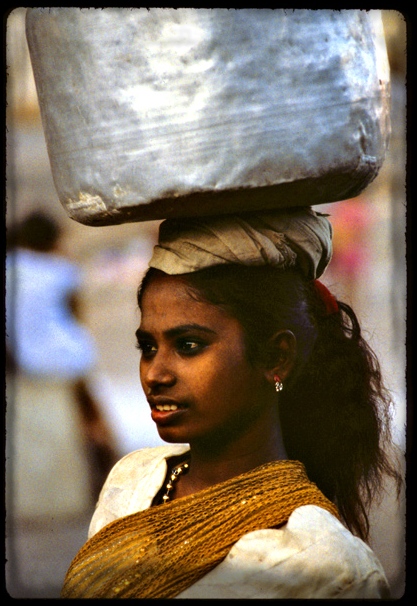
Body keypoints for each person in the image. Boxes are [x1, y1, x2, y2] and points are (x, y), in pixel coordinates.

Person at [61, 206, 402, 599]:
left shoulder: (324, 565)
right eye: (148, 347)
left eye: (189, 345)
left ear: (277, 358)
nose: (155, 374)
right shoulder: (132, 479)